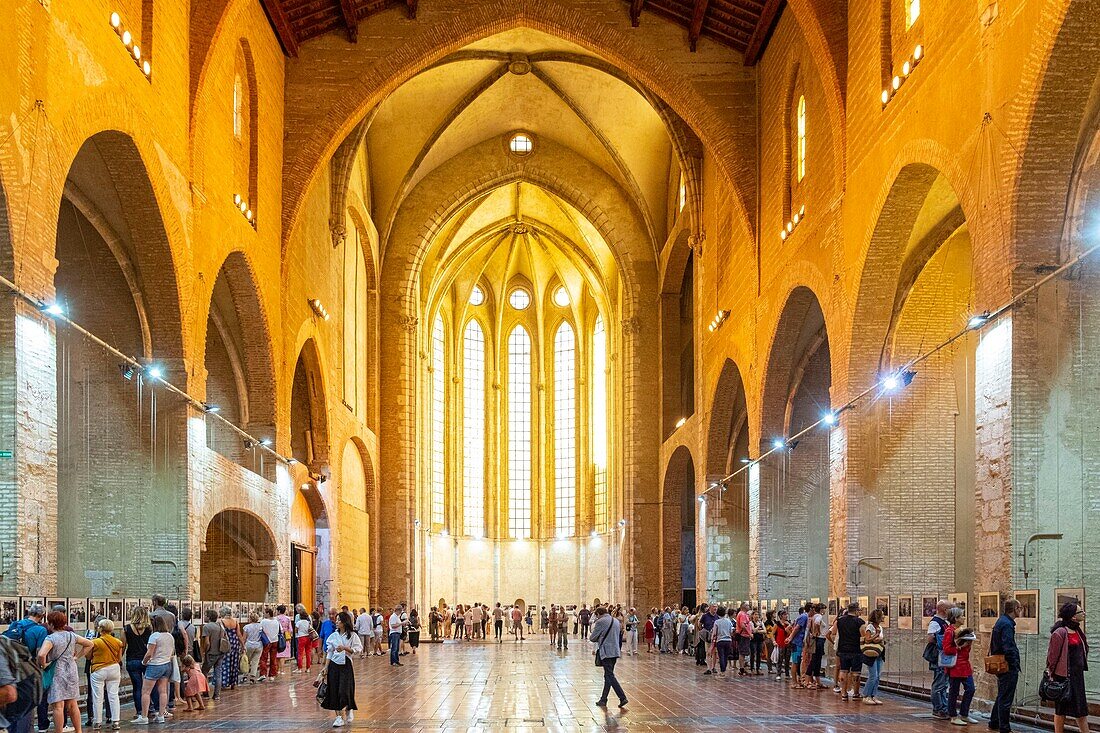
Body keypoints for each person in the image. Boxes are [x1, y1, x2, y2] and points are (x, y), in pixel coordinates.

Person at [37, 610, 93, 733]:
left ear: (51, 624)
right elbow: (89, 644)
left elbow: (41, 654)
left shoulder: (50, 638)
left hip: (56, 672)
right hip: (71, 671)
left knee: (58, 706)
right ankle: (79, 731)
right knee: (73, 704)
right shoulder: (71, 635)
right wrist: (77, 657)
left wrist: (44, 665)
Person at [1046, 602, 1090, 733]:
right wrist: (1051, 673)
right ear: (1073, 617)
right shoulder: (1060, 633)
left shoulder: (1077, 631)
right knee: (1061, 710)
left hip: (1077, 676)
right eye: (1080, 611)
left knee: (1081, 709)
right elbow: (1052, 656)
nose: (1084, 613)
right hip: (1063, 676)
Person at [321, 611, 362, 728]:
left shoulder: (352, 636)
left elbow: (358, 649)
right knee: (334, 690)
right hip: (334, 664)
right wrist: (326, 667)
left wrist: (345, 648)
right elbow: (329, 652)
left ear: (345, 622)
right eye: (336, 620)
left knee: (344, 689)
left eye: (339, 620)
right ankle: (339, 717)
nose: (337, 621)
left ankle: (349, 707)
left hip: (346, 665)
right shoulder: (333, 636)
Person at [134, 614, 174, 725]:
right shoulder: (169, 636)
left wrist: (144, 662)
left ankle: (144, 717)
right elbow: (171, 652)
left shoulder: (154, 636)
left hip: (155, 665)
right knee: (163, 691)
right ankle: (161, 715)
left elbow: (149, 653)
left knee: (146, 691)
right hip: (167, 664)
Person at [988, 598, 1021, 733]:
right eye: (1020, 608)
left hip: (1003, 664)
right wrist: (1014, 663)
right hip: (1007, 666)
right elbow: (1008, 646)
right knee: (1006, 697)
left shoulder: (1002, 621)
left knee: (1002, 694)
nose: (1021, 611)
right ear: (1015, 609)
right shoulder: (1007, 624)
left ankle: (994, 722)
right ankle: (1005, 728)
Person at [942, 607, 977, 726]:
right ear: (956, 618)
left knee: (970, 689)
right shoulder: (949, 631)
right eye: (961, 616)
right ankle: (953, 715)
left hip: (965, 664)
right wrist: (960, 647)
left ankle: (964, 713)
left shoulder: (962, 630)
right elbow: (946, 649)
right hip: (955, 665)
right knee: (954, 691)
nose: (963, 618)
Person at [89, 618, 123, 730]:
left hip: (99, 669)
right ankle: (116, 721)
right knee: (113, 695)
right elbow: (119, 658)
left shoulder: (95, 642)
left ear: (100, 629)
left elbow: (89, 657)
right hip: (114, 669)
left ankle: (97, 722)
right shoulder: (118, 642)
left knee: (98, 697)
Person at [589, 607, 626, 708]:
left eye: (596, 615)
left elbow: (592, 638)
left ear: (599, 614)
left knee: (609, 675)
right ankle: (603, 699)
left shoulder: (601, 621)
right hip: (615, 651)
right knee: (608, 676)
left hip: (606, 652)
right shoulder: (615, 621)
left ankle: (622, 697)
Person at [832, 602, 864, 701]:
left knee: (843, 670)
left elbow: (833, 632)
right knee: (856, 672)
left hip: (842, 649)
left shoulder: (839, 620)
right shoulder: (860, 622)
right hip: (856, 649)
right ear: (856, 610)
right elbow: (862, 635)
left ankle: (844, 693)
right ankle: (855, 693)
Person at [926, 600, 952, 720]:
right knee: (939, 683)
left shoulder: (945, 622)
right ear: (945, 610)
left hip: (944, 657)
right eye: (950, 609)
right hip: (939, 657)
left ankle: (943, 707)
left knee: (943, 683)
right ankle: (938, 708)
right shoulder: (935, 622)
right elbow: (930, 638)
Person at [860, 608, 885, 705]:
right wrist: (877, 635)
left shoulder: (880, 627)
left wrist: (878, 638)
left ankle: (874, 695)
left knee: (878, 675)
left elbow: (880, 639)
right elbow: (867, 639)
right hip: (871, 653)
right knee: (873, 675)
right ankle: (866, 695)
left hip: (879, 652)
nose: (884, 616)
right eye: (882, 615)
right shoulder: (870, 627)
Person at [218, 607, 243, 691]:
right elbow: (239, 634)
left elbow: (221, 633)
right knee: (234, 663)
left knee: (225, 663)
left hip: (226, 643)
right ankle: (233, 683)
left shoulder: (221, 621)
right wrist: (243, 645)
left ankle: (224, 683)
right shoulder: (235, 621)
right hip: (235, 643)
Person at [242, 612, 266, 684]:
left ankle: (245, 675)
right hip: (258, 645)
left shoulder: (246, 627)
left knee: (247, 661)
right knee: (255, 661)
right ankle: (253, 676)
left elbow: (244, 638)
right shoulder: (260, 626)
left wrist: (242, 646)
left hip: (249, 644)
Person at [710, 606, 734, 677]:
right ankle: (724, 670)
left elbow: (714, 633)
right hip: (728, 640)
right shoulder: (728, 621)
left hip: (720, 640)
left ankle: (722, 671)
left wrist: (712, 639)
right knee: (726, 656)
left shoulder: (716, 622)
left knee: (721, 656)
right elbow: (731, 631)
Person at [259, 607, 281, 679]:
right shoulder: (276, 621)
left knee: (263, 658)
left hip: (266, 641)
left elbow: (260, 630)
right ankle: (272, 675)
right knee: (273, 658)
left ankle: (263, 674)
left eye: (265, 613)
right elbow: (281, 630)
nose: (264, 614)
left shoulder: (264, 621)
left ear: (268, 613)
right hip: (275, 641)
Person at [735, 602, 753, 676]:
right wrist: (749, 633)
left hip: (745, 636)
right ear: (743, 607)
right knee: (742, 652)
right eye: (747, 605)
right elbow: (742, 625)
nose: (748, 606)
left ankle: (743, 668)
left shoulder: (744, 614)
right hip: (743, 635)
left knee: (743, 652)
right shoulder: (742, 614)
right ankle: (742, 669)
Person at [294, 605, 314, 672]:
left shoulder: (299, 622)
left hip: (301, 637)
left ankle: (299, 668)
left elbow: (296, 630)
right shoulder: (308, 623)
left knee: (300, 653)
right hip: (308, 637)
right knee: (308, 653)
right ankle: (308, 668)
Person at [775, 609, 791, 682]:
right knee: (780, 659)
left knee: (787, 659)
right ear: (780, 616)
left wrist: (789, 625)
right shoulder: (777, 624)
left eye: (786, 614)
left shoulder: (788, 624)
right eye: (784, 615)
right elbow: (772, 634)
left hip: (787, 643)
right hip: (780, 643)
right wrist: (774, 641)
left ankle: (787, 674)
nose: (786, 616)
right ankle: (778, 674)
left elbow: (791, 632)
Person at [750, 610, 766, 675]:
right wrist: (758, 627)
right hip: (753, 640)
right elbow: (753, 630)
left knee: (759, 654)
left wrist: (758, 631)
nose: (757, 616)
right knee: (753, 654)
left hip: (760, 640)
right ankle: (752, 668)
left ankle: (758, 668)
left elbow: (765, 631)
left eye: (757, 615)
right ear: (752, 616)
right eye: (755, 614)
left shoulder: (761, 622)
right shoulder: (751, 623)